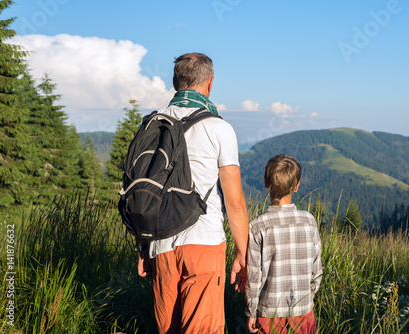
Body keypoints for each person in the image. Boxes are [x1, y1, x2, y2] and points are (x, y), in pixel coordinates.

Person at [135, 52, 249, 334]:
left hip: (160, 243)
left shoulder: (152, 125)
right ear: (210, 84)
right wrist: (242, 252)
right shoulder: (219, 128)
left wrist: (143, 246)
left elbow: (142, 189)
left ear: (175, 82)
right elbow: (234, 201)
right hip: (204, 242)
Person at [245, 154, 322, 334]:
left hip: (269, 311)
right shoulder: (309, 221)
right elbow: (316, 270)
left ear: (266, 182)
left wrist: (251, 312)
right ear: (296, 186)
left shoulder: (257, 226)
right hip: (303, 309)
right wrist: (308, 295)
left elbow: (254, 277)